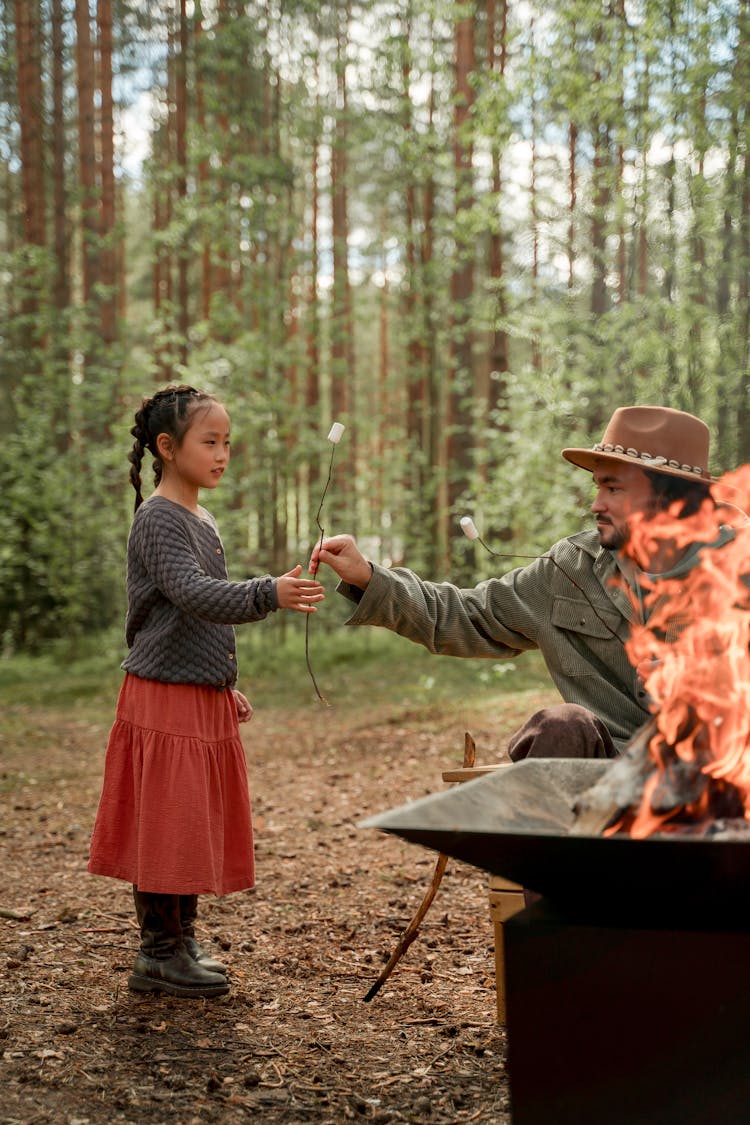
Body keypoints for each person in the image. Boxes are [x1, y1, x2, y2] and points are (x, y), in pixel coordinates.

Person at [310, 405, 734, 761]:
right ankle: (558, 860)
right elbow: (469, 616)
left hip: (714, 781)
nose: (595, 504)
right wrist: (369, 577)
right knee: (561, 726)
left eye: (613, 488)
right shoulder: (571, 569)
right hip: (603, 782)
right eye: (597, 486)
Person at [88, 384, 325, 999]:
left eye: (228, 443)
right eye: (209, 442)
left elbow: (200, 620)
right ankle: (157, 952)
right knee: (165, 825)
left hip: (194, 693)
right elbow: (194, 593)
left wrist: (225, 682)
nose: (222, 454)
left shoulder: (202, 518)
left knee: (188, 824)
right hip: (161, 695)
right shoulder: (158, 518)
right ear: (168, 448)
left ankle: (181, 940)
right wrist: (267, 592)